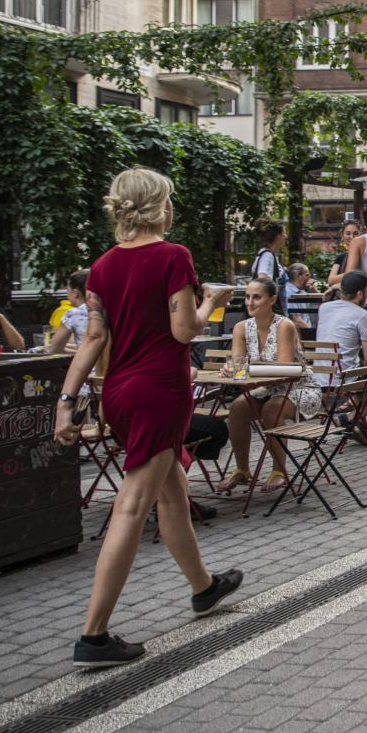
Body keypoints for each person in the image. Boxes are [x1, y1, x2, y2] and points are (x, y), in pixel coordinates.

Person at [51, 167, 242, 668]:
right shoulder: (173, 255)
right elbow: (184, 332)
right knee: (133, 505)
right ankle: (93, 636)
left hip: (118, 392)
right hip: (161, 389)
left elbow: (93, 339)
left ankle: (203, 587)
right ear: (161, 205)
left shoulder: (102, 267)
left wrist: (65, 401)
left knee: (171, 489)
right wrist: (211, 302)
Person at [219, 279, 324, 494]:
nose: (250, 302)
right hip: (267, 387)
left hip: (298, 386)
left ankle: (279, 471)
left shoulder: (284, 325)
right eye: (247, 297)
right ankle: (242, 469)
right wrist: (230, 369)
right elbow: (238, 363)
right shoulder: (241, 327)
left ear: (272, 299)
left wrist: (244, 368)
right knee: (237, 408)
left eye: (257, 297)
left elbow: (283, 368)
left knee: (271, 409)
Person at [312, 271, 367, 420]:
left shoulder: (324, 308)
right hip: (347, 379)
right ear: (360, 293)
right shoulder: (363, 315)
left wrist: (334, 289)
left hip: (322, 377)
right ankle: (352, 417)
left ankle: (356, 412)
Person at [45, 269, 92, 354]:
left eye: (68, 290)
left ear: (75, 293)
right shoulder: (108, 310)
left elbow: (54, 350)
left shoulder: (73, 314)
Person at [250, 223, 289, 288]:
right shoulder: (267, 255)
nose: (286, 236)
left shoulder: (268, 254)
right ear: (277, 236)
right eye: (284, 233)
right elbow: (262, 277)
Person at [326, 220, 362, 287]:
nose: (352, 237)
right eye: (348, 233)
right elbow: (330, 280)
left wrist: (339, 280)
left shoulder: (364, 255)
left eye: (356, 233)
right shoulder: (340, 257)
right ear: (342, 236)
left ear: (361, 236)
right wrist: (350, 274)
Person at [283, 262, 317, 332]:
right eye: (307, 275)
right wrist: (311, 334)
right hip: (298, 334)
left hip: (305, 330)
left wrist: (313, 290)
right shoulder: (288, 292)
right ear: (299, 276)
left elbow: (320, 306)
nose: (309, 278)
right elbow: (296, 320)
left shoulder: (302, 291)